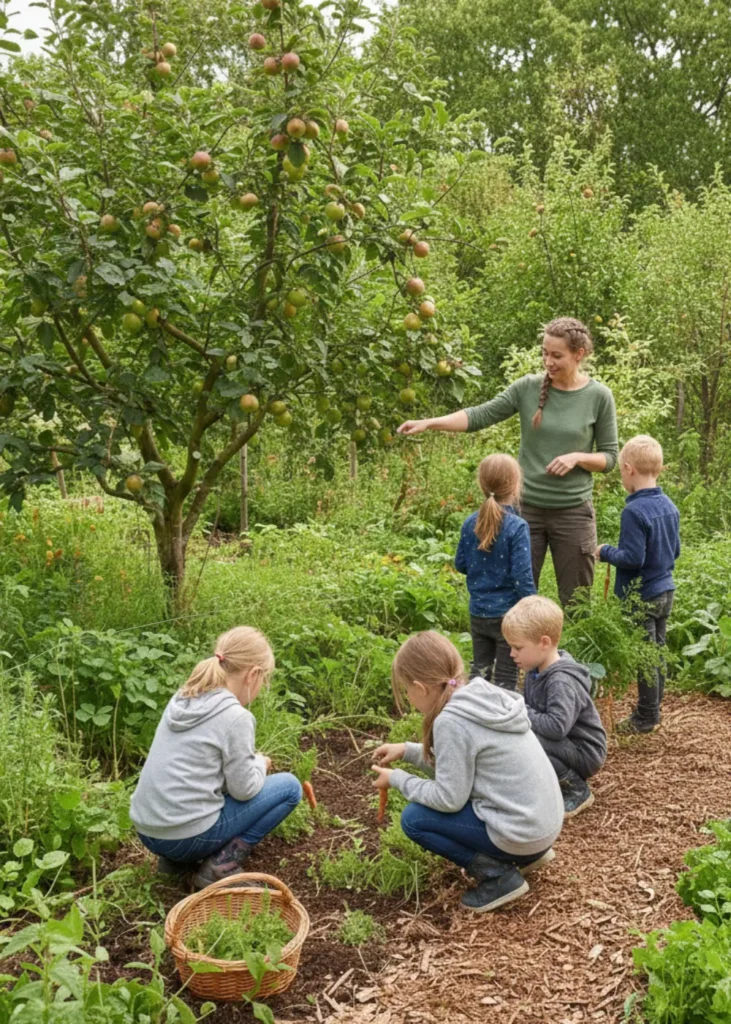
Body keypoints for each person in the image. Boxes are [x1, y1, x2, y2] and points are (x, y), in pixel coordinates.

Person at [399, 318, 618, 607]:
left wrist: (578, 457)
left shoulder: (598, 396)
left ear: (579, 354)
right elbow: (480, 415)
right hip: (525, 511)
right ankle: (516, 652)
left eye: (556, 355)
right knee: (518, 598)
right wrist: (429, 423)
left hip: (574, 513)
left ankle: (570, 652)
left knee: (576, 600)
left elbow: (610, 457)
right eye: (544, 353)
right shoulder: (527, 389)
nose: (548, 362)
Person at [371, 631, 564, 913]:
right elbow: (458, 768)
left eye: (406, 690)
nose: (408, 698)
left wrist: (398, 779)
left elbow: (449, 798)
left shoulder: (451, 721)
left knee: (414, 819)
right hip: (542, 826)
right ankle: (524, 858)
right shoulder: (478, 694)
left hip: (522, 833)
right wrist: (408, 751)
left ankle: (498, 876)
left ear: (419, 687)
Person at [130, 626, 302, 890]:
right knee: (290, 787)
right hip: (185, 837)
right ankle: (222, 865)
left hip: (147, 830)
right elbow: (244, 790)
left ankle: (173, 864)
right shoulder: (236, 717)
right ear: (253, 675)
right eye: (263, 680)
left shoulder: (183, 697)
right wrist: (259, 763)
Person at [595, 435, 680, 734]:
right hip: (665, 590)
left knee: (645, 658)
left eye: (620, 472)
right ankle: (652, 710)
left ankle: (645, 717)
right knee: (657, 652)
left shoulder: (633, 511)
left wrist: (605, 552)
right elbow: (676, 550)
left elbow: (632, 558)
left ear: (629, 469)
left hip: (642, 596)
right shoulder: (669, 506)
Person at [502, 595, 607, 817]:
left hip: (584, 752)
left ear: (544, 642)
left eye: (518, 647)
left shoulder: (561, 681)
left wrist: (520, 708)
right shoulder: (535, 670)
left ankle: (577, 790)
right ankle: (548, 784)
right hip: (565, 746)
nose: (512, 654)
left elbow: (556, 727)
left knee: (527, 737)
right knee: (520, 734)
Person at [454, 454, 535, 689]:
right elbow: (522, 577)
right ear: (516, 484)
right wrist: (534, 607)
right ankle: (502, 721)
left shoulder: (471, 522)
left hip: (478, 613)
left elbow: (460, 564)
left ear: (482, 485)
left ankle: (474, 716)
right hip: (507, 617)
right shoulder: (517, 526)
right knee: (506, 680)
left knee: (479, 673)